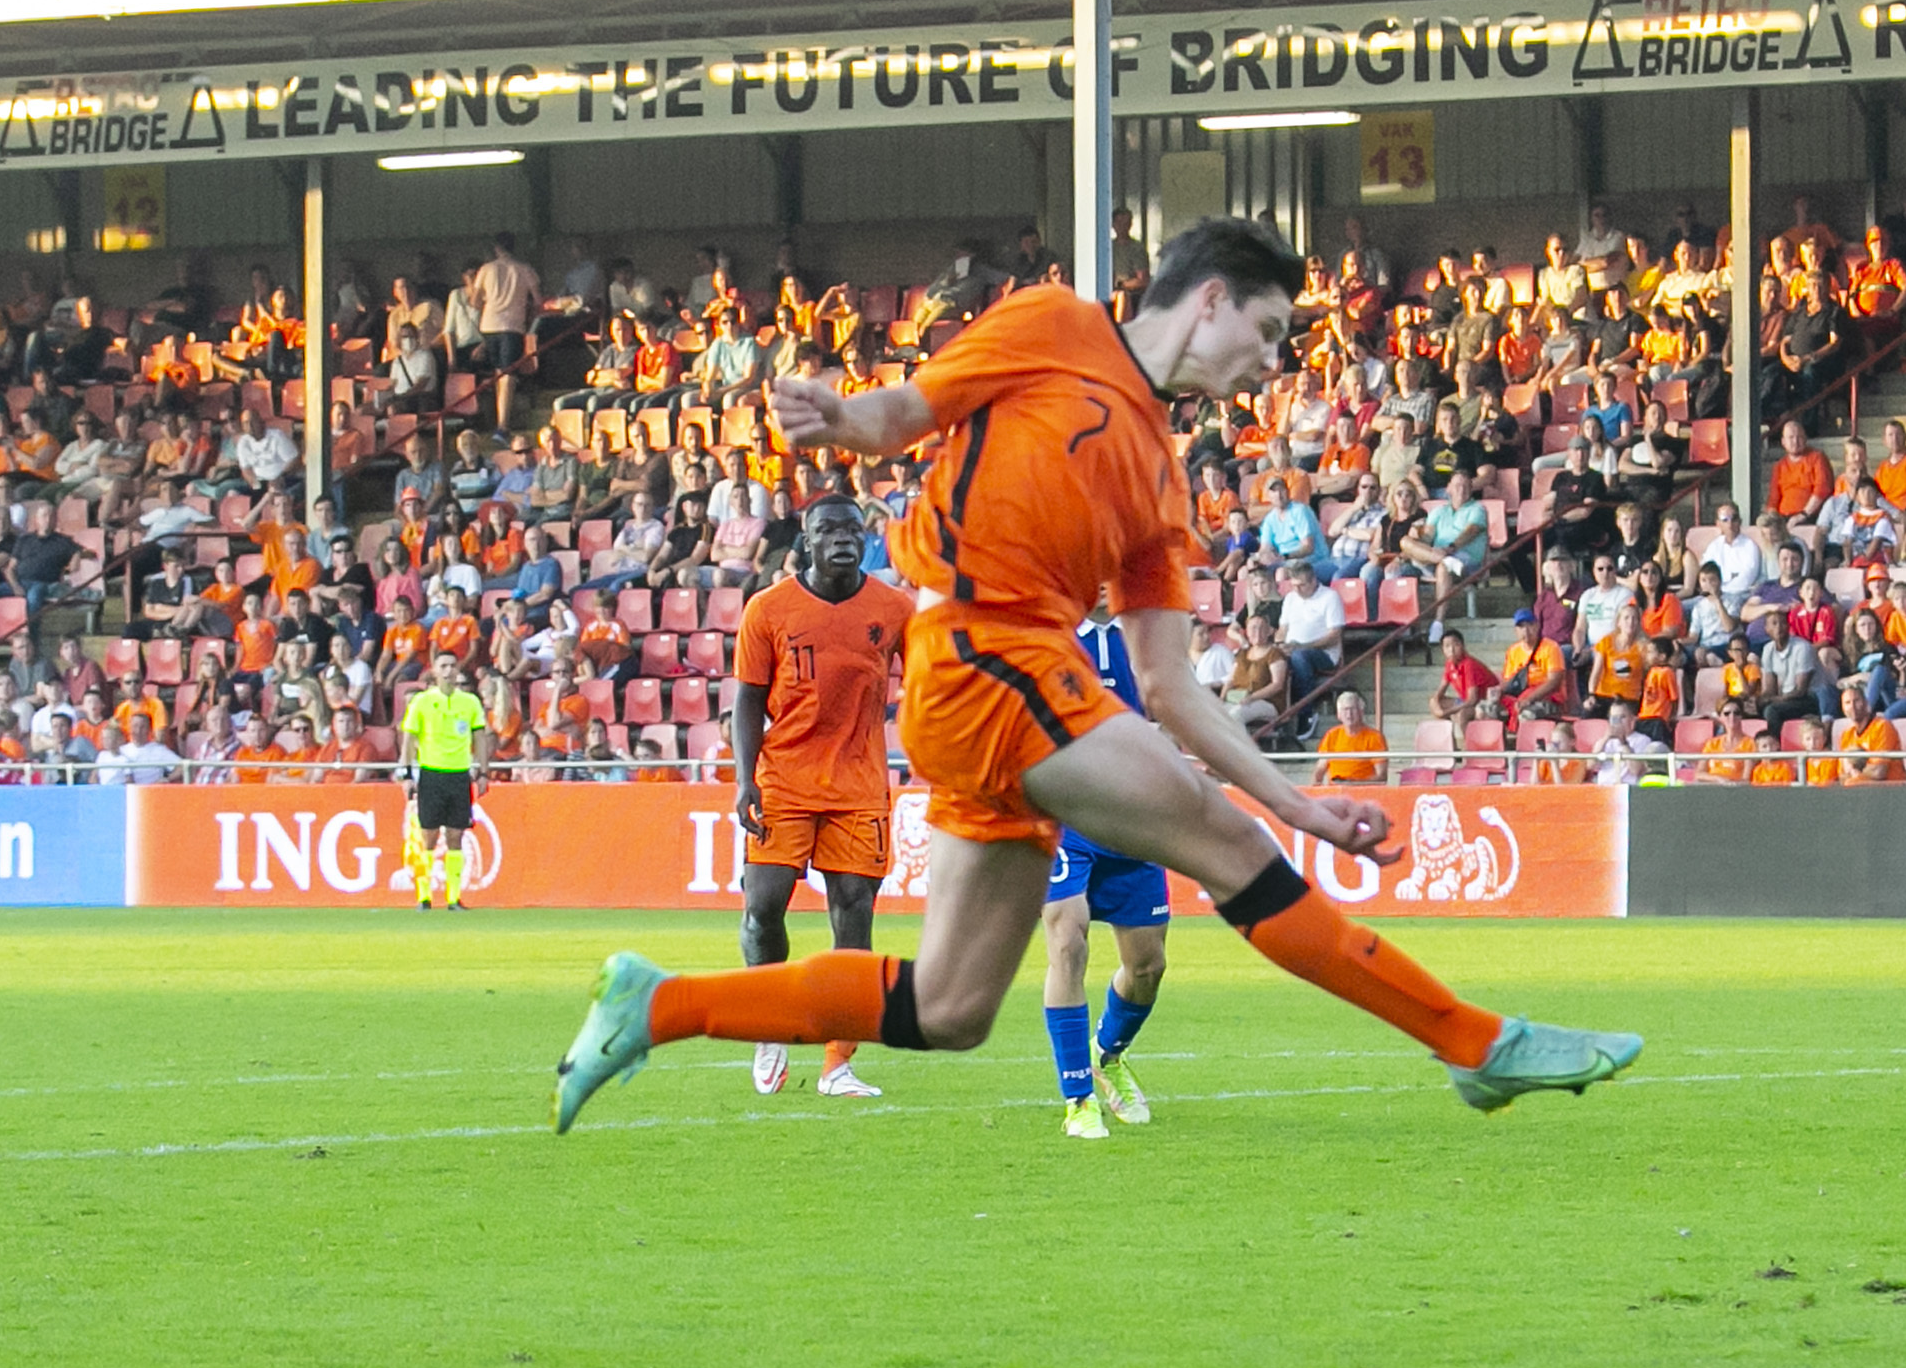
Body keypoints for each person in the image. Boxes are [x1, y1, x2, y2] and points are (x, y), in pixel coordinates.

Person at [553, 218, 1640, 1132]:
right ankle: (1472, 1038)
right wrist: (839, 421)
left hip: (1004, 691)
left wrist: (1301, 804)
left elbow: (1171, 687)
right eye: (1266, 332)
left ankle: (659, 1004)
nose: (1270, 362)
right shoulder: (1055, 324)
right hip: (983, 652)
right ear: (1208, 300)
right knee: (1224, 847)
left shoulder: (1163, 480)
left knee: (952, 1005)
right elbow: (903, 414)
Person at [726, 495, 917, 1102]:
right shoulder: (769, 610)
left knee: (854, 910)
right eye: (827, 530)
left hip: (860, 783)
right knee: (763, 909)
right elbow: (748, 701)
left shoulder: (894, 609)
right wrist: (744, 779)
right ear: (804, 542)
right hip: (784, 779)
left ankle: (838, 1063)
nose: (842, 538)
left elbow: (929, 682)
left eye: (852, 529)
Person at [1039, 597, 1175, 1136]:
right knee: (1067, 941)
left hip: (1133, 819)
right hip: (1063, 815)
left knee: (1147, 968)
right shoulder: (1045, 636)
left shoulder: (1149, 637)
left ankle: (1108, 1054)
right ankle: (1078, 1099)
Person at [397, 650, 489, 911]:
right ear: (435, 671)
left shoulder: (470, 702)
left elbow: (479, 738)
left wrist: (483, 772)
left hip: (459, 774)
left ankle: (453, 898)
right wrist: (406, 774)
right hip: (431, 773)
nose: (449, 670)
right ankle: (424, 896)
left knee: (456, 836)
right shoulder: (422, 702)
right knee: (428, 835)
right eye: (444, 666)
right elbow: (409, 740)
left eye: (452, 665)